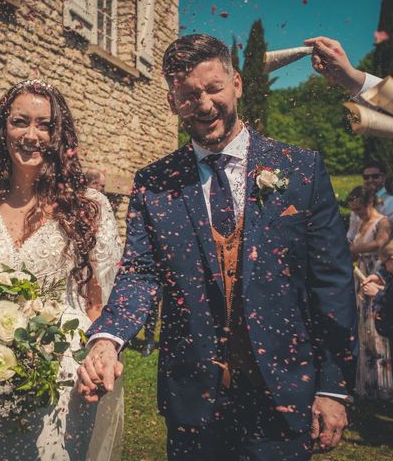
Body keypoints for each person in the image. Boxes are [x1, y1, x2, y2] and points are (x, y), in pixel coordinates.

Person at [78, 34, 358, 460]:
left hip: (282, 392)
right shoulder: (154, 182)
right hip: (193, 398)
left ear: (238, 84)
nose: (205, 105)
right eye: (189, 96)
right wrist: (108, 339)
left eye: (213, 89)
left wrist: (333, 386)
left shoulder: (301, 170)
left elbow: (332, 284)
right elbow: (140, 271)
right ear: (173, 103)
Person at [0, 79, 123, 461]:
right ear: (3, 129)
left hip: (63, 373)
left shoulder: (87, 206)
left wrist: (100, 354)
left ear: (59, 133)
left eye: (44, 124)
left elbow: (98, 302)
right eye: (20, 122)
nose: (32, 135)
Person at [346, 186, 393, 399]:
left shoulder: (383, 221)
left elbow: (381, 243)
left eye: (360, 209)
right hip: (360, 274)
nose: (357, 214)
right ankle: (366, 383)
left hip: (376, 271)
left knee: (376, 328)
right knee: (363, 328)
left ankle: (383, 385)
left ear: (369, 204)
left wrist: (354, 250)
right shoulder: (359, 222)